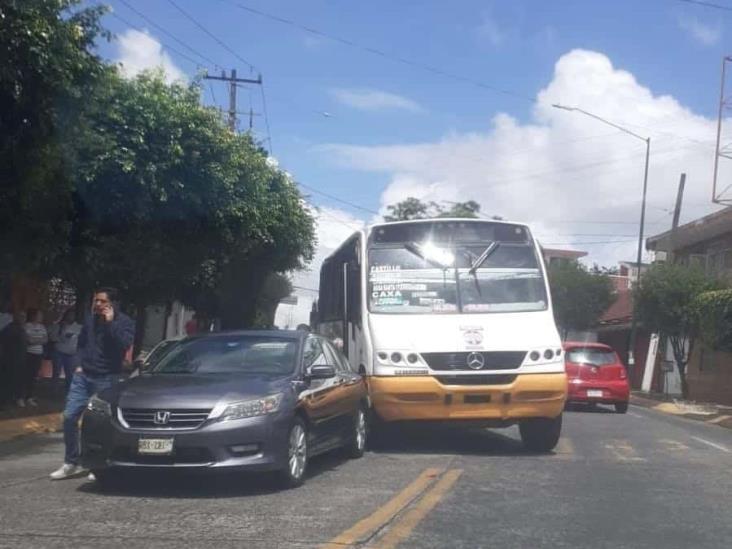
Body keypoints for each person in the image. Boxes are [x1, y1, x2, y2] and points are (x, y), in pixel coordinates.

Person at [50, 288, 134, 480]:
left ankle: (98, 464)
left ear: (113, 304)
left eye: (102, 301)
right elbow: (81, 344)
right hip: (83, 376)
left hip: (106, 378)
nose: (98, 304)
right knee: (70, 417)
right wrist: (78, 364)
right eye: (96, 300)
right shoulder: (90, 320)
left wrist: (110, 323)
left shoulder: (124, 322)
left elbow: (124, 344)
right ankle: (72, 462)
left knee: (101, 423)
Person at [51, 309, 82, 392]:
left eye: (73, 315)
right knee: (56, 372)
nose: (70, 317)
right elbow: (53, 337)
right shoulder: (59, 325)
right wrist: (62, 334)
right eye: (69, 315)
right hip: (59, 351)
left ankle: (68, 390)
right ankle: (54, 390)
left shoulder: (79, 327)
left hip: (71, 353)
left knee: (70, 374)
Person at [0, 310, 25, 410]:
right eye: (21, 316)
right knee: (7, 380)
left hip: (19, 359)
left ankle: (10, 398)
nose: (23, 318)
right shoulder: (9, 328)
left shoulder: (22, 328)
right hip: (10, 359)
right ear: (15, 317)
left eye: (24, 316)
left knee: (15, 379)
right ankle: (3, 400)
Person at [23, 308, 48, 407]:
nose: (41, 317)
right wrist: (39, 340)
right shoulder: (26, 326)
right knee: (25, 376)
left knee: (34, 376)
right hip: (28, 354)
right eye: (39, 315)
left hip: (38, 354)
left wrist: (35, 340)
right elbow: (28, 340)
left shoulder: (42, 327)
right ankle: (21, 397)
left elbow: (45, 339)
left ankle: (29, 397)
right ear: (33, 316)